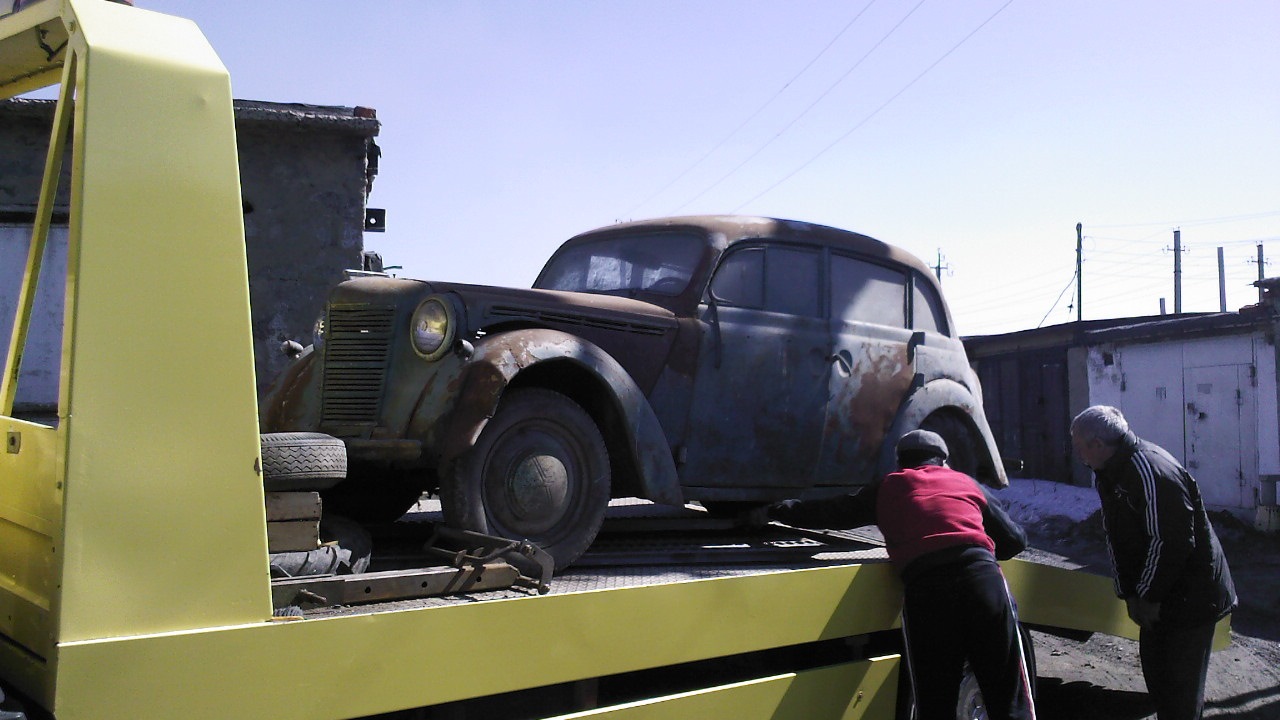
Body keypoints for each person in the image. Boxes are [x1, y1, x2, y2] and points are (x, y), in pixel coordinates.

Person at [757, 429, 1035, 720]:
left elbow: (832, 512)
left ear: (900, 461)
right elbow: (1015, 540)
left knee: (935, 700)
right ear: (943, 461)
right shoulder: (965, 482)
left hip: (927, 592)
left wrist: (776, 511)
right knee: (1007, 696)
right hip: (982, 583)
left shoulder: (889, 487)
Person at [1070, 405, 1236, 720]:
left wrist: (1147, 596)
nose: (1077, 453)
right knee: (1161, 686)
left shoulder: (1150, 470)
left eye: (1079, 446)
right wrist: (1129, 594)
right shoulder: (1109, 472)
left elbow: (1170, 542)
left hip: (1190, 599)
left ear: (1098, 445)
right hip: (1161, 598)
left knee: (1179, 697)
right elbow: (1116, 536)